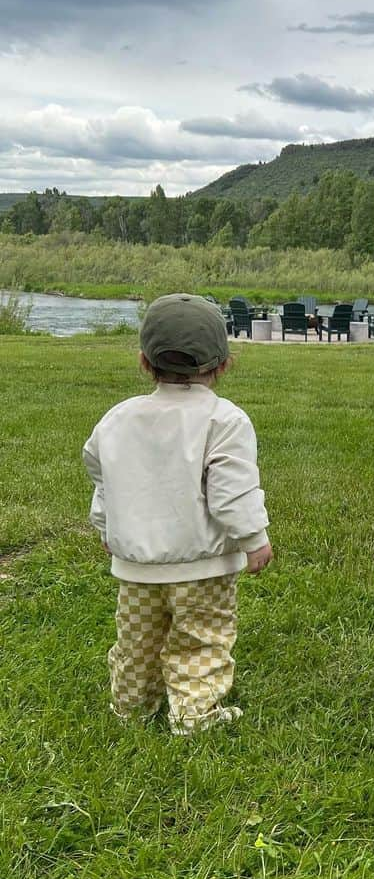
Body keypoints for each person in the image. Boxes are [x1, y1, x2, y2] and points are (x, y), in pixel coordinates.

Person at [83, 294, 272, 734]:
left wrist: (107, 527)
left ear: (144, 363)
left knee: (137, 642)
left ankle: (132, 707)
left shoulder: (117, 419)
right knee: (201, 639)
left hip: (136, 570)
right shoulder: (224, 421)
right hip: (202, 569)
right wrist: (253, 538)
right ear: (225, 364)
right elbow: (232, 492)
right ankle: (193, 714)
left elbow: (104, 479)